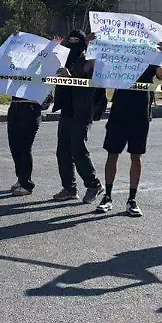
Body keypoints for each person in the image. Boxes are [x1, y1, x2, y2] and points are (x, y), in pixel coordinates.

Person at [96, 42, 162, 217]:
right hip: (119, 110)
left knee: (136, 155)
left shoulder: (151, 58)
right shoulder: (121, 58)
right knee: (112, 153)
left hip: (140, 112)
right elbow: (100, 67)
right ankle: (107, 196)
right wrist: (94, 45)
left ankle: (132, 199)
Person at [52, 30, 105, 202]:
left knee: (78, 149)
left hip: (82, 110)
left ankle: (93, 184)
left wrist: (70, 76)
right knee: (62, 151)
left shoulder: (87, 59)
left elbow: (92, 72)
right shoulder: (66, 57)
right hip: (67, 109)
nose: (73, 43)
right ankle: (69, 188)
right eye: (71, 40)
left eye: (77, 41)